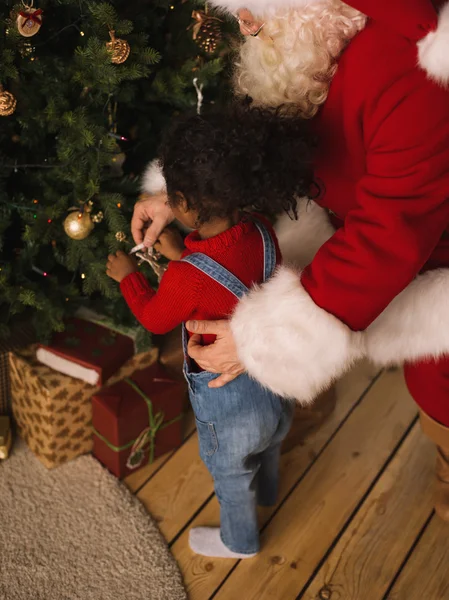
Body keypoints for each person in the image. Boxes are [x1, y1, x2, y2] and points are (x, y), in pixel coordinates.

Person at [133, 0, 449, 521]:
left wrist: (265, 343)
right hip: (343, 212)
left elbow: (391, 233)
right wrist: (184, 196)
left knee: (439, 375)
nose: (247, 27)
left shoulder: (415, 72)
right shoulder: (304, 43)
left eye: (255, 14)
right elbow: (259, 144)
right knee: (263, 273)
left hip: (433, 244)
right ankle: (295, 397)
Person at [106, 105, 318, 557]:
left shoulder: (185, 278)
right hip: (274, 382)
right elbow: (233, 282)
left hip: (230, 403)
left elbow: (156, 318)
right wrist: (183, 253)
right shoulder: (261, 230)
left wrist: (129, 276)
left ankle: (238, 540)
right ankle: (270, 492)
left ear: (182, 205)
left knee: (231, 475)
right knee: (272, 441)